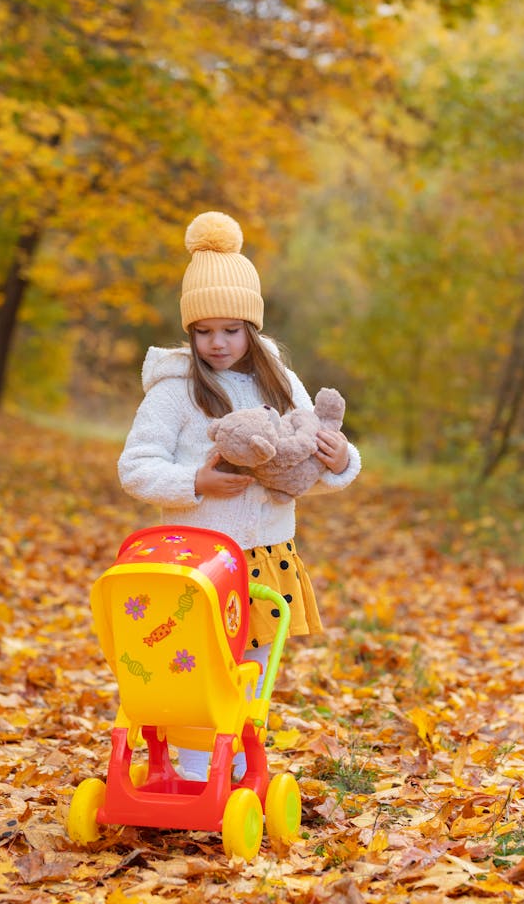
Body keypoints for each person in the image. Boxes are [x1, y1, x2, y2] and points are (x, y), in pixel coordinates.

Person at [117, 211, 361, 779]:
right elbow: (135, 467)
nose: (217, 343)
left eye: (230, 330)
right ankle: (200, 775)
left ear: (251, 327)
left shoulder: (281, 382)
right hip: (198, 559)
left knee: (251, 672)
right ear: (189, 332)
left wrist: (339, 459)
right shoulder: (176, 392)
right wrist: (193, 482)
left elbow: (306, 457)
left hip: (263, 560)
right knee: (197, 669)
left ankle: (239, 767)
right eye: (203, 331)